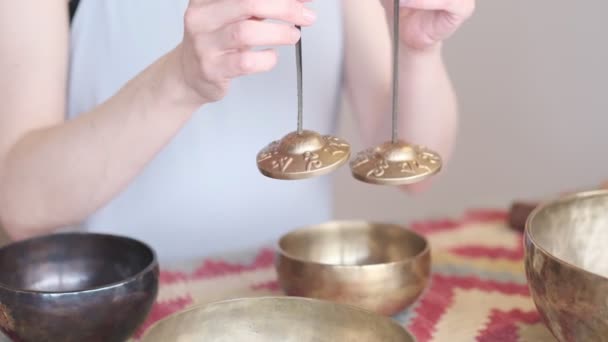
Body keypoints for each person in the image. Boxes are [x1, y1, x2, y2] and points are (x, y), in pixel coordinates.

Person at [0, 0, 475, 262]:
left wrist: (418, 49)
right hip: (119, 312)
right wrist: (181, 78)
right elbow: (18, 204)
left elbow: (415, 172)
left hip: (297, 301)